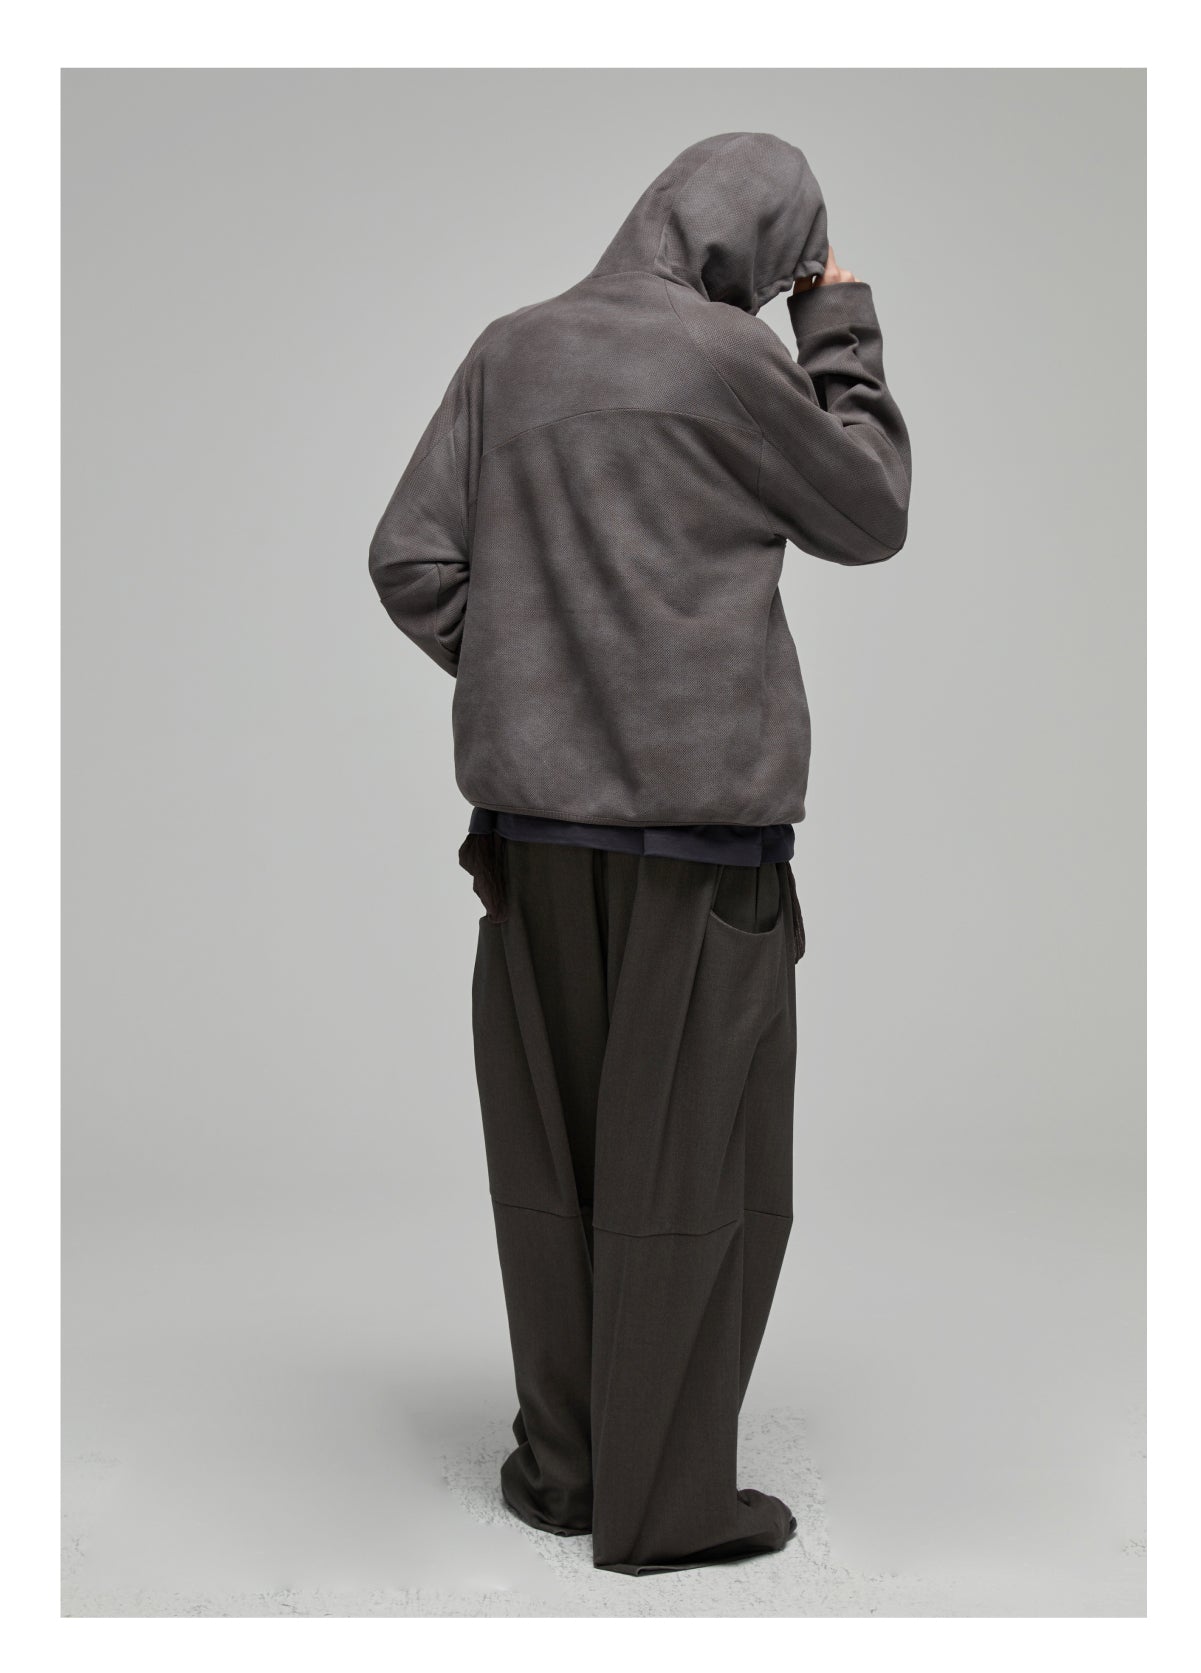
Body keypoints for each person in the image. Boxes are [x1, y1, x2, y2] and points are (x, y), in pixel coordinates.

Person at [368, 131, 911, 1576]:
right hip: (697, 843)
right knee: (697, 1170)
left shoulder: (510, 350)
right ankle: (668, 1506)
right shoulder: (732, 362)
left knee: (553, 1168)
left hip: (530, 842)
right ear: (767, 252)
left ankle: (566, 1472)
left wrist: (530, 676)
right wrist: (836, 323)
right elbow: (871, 511)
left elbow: (410, 558)